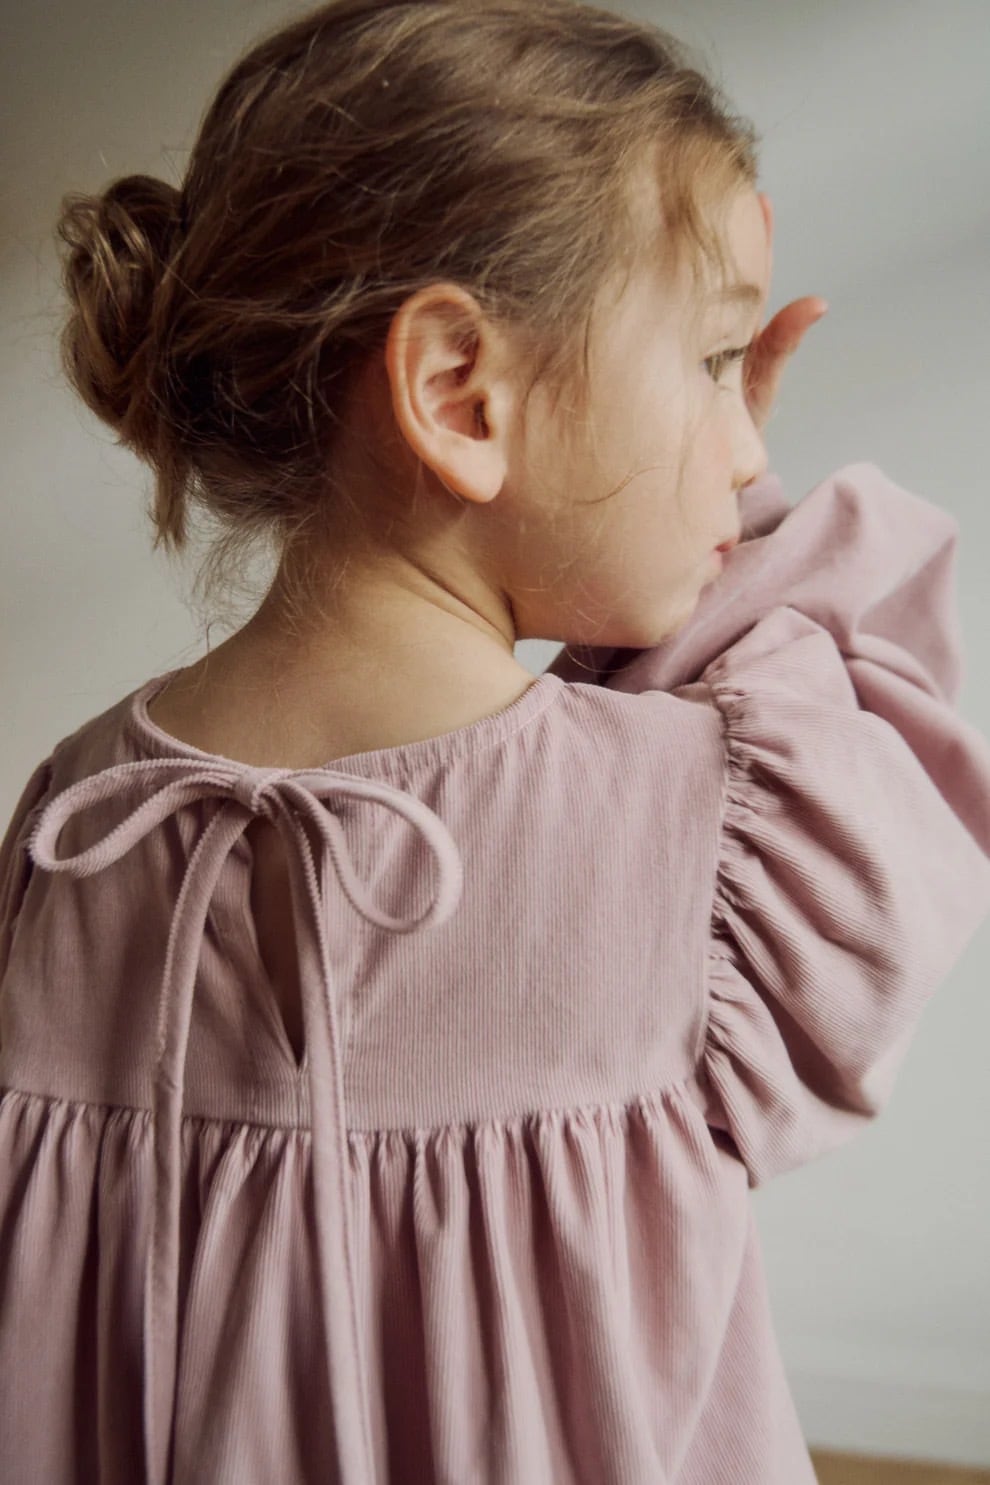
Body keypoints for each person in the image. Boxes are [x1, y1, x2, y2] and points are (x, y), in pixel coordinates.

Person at [1, 1, 988, 1481]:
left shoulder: (72, 817)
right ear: (459, 391)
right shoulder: (712, 837)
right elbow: (886, 698)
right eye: (715, 360)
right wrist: (752, 521)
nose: (740, 440)